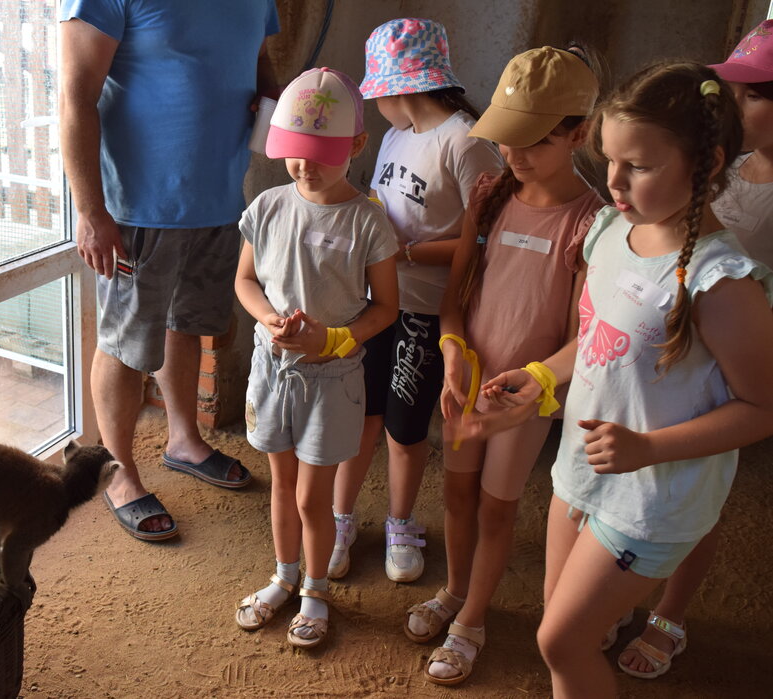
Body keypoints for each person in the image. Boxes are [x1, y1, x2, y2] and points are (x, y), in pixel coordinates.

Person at [476, 62, 773, 698]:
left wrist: (647, 448)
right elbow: (597, 336)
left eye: (637, 166)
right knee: (559, 622)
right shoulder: (612, 229)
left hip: (650, 500)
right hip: (582, 472)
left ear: (707, 163)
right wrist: (541, 376)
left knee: (562, 642)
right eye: (609, 159)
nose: (613, 180)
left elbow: (762, 406)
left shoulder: (720, 282)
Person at [404, 46, 604, 686]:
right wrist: (452, 351)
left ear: (578, 134)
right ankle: (455, 590)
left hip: (525, 398)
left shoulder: (589, 222)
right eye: (506, 137)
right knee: (456, 494)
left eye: (534, 141)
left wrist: (537, 387)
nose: (514, 154)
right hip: (466, 380)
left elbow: (581, 337)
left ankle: (473, 620)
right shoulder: (490, 196)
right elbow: (455, 298)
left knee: (496, 507)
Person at [58, 1, 279, 541]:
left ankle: (183, 441)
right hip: (139, 207)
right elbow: (75, 97)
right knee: (123, 344)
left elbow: (259, 59)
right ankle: (116, 473)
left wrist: (271, 98)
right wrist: (90, 210)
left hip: (220, 198)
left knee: (188, 325)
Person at [614, 20, 773, 679]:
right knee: (644, 475)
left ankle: (669, 615)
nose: (735, 106)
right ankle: (617, 592)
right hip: (672, 342)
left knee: (700, 488)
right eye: (731, 91)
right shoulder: (727, 165)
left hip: (735, 358)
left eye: (752, 95)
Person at [327, 18, 503, 584]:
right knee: (361, 415)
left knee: (405, 426)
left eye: (377, 94)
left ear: (400, 89)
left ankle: (400, 520)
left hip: (427, 310)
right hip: (377, 299)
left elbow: (488, 239)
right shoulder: (396, 135)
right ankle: (339, 518)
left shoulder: (466, 141)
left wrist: (408, 252)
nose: (377, 105)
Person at [232, 68, 399, 648]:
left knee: (312, 495)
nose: (304, 166)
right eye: (293, 153)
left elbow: (386, 308)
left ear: (357, 145)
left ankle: (316, 588)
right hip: (271, 369)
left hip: (333, 377)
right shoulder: (268, 206)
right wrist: (268, 319)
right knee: (281, 484)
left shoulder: (367, 219)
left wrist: (332, 340)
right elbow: (246, 280)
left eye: (321, 155)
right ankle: (284, 576)